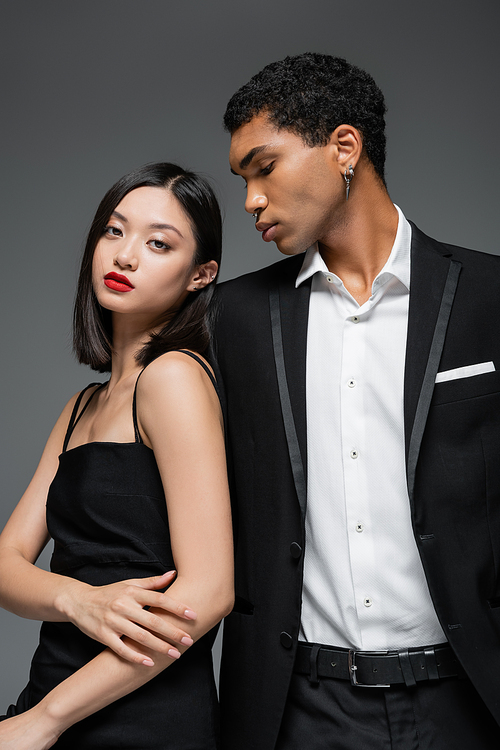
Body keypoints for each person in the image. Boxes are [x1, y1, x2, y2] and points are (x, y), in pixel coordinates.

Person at [212, 53, 500, 749]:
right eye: (242, 179)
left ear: (345, 147)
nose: (250, 198)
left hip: (470, 702)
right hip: (297, 711)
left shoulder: (490, 298)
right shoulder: (234, 319)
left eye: (264, 167)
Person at [0, 162, 233, 749]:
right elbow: (5, 564)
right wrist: (76, 599)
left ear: (200, 275)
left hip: (139, 716)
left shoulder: (174, 379)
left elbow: (208, 593)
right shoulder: (82, 406)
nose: (125, 256)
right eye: (114, 230)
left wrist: (46, 719)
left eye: (158, 244)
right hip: (53, 695)